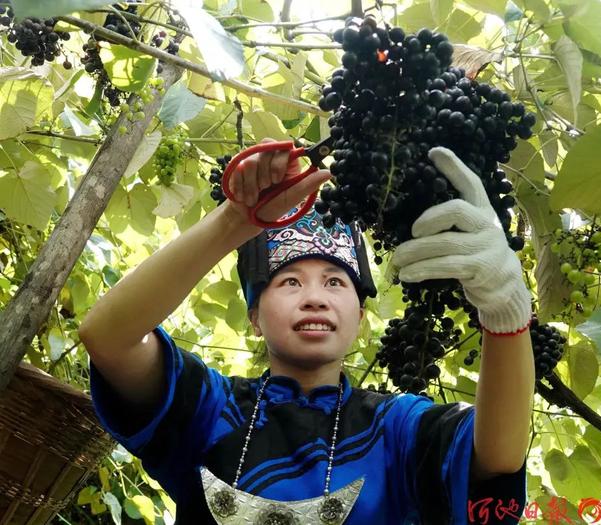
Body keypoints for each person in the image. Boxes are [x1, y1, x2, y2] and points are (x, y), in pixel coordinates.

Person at [78, 140, 535, 524]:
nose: (315, 297)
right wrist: (234, 222)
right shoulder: (211, 411)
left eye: (335, 282)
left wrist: (505, 314)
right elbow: (108, 337)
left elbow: (496, 458)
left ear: (359, 316)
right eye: (290, 282)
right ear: (255, 317)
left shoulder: (395, 429)